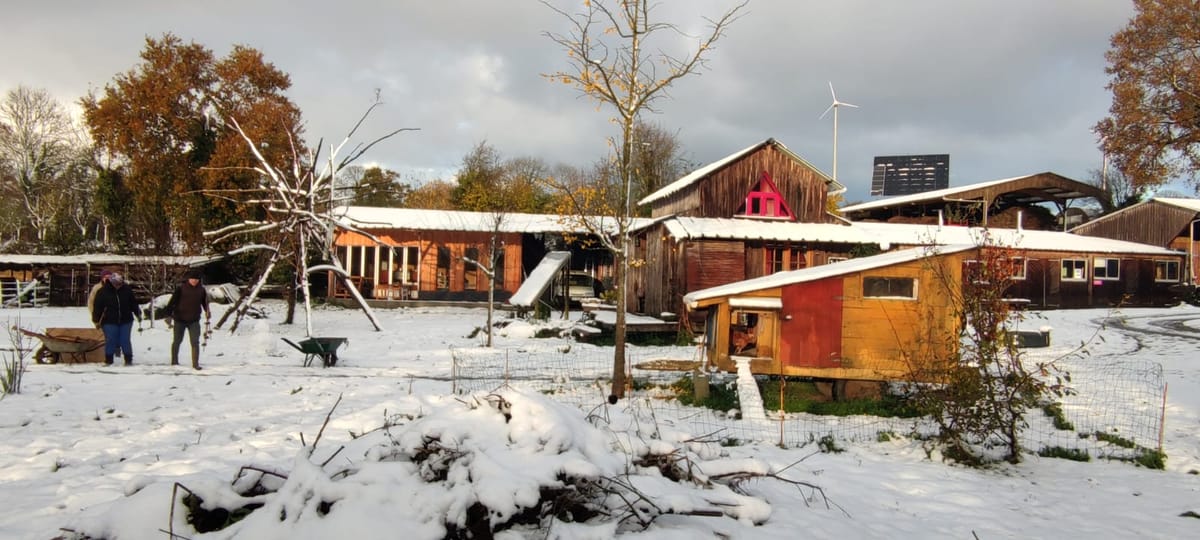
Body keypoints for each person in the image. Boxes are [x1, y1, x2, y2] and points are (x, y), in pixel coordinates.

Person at [91, 272, 142, 366]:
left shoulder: (127, 290)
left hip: (126, 320)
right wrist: (96, 320)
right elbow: (97, 307)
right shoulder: (102, 292)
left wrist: (138, 313)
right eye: (117, 284)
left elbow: (133, 303)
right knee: (110, 340)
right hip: (109, 320)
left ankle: (128, 359)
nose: (119, 285)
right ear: (111, 282)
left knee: (125, 340)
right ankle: (109, 360)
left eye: (120, 283)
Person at [165, 269, 211, 370]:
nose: (194, 281)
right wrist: (168, 315)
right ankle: (174, 361)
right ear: (188, 279)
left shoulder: (201, 290)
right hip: (179, 319)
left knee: (195, 342)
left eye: (196, 279)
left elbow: (204, 303)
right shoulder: (181, 289)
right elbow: (172, 302)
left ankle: (195, 364)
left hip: (194, 320)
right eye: (192, 279)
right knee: (177, 340)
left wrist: (207, 311)